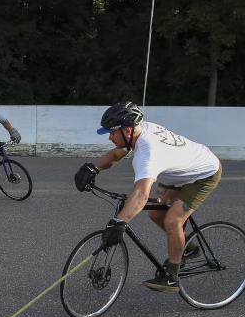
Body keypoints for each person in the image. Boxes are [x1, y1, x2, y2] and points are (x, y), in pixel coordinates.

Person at [74, 101, 222, 292]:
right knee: (155, 215)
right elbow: (118, 153)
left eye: (112, 132)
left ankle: (172, 277)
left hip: (204, 173)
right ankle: (189, 247)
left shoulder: (148, 153)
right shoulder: (137, 130)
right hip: (177, 171)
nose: (109, 136)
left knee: (172, 220)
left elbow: (141, 193)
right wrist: (95, 168)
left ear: (127, 131)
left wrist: (119, 222)